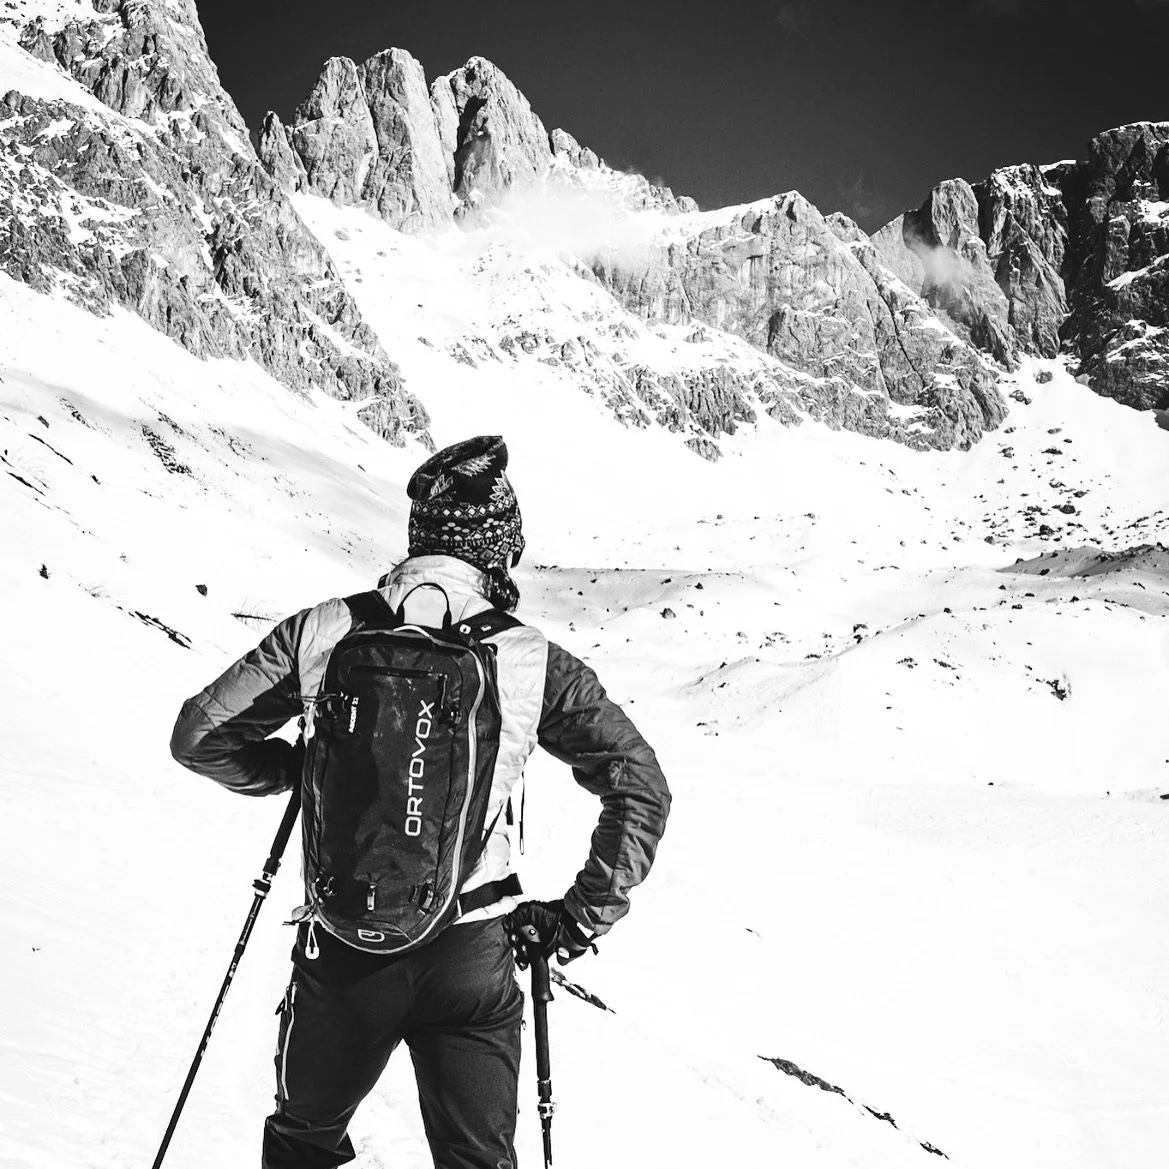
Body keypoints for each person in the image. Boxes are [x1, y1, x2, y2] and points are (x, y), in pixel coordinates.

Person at [169, 434, 671, 1169]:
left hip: (347, 946)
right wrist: (577, 917)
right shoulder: (532, 659)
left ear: (418, 536)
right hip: (472, 952)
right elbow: (638, 784)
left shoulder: (323, 629)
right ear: (500, 548)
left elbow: (200, 737)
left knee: (302, 1143)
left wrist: (298, 772)